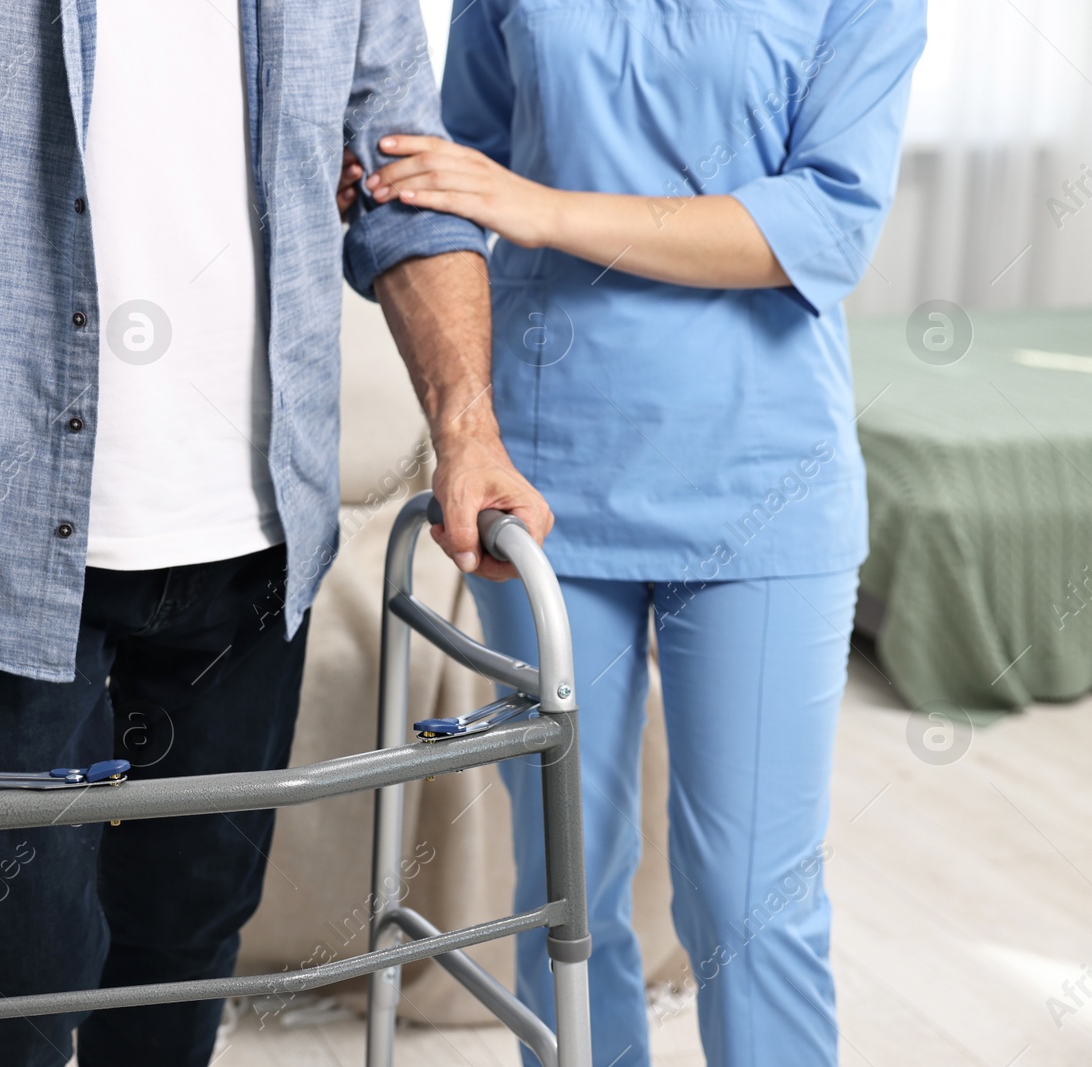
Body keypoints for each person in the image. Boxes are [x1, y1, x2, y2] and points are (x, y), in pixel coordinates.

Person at [0, 3, 550, 1065]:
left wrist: (467, 432)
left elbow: (404, 178)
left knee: (188, 945)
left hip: (256, 545)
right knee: (15, 988)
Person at [353, 1, 925, 1064]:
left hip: (763, 476)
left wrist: (543, 209)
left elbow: (825, 224)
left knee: (749, 900)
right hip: (544, 477)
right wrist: (393, 188)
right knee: (565, 885)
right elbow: (456, 175)